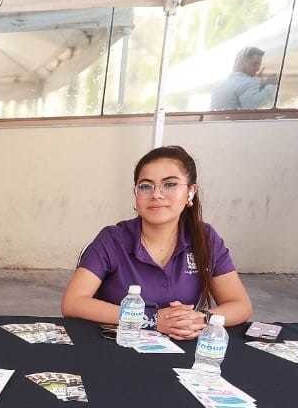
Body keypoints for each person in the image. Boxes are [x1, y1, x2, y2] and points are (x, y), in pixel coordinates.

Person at [61, 145, 252, 338]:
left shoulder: (205, 238)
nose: (156, 194)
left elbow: (240, 305)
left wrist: (198, 319)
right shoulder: (112, 239)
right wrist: (152, 319)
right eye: (145, 186)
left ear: (191, 192)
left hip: (184, 349)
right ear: (136, 195)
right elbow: (73, 303)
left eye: (170, 184)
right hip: (117, 347)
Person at [210, 47, 278, 111]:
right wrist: (271, 85)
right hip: (236, 122)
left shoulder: (218, 84)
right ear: (242, 62)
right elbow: (254, 106)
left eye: (259, 64)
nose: (258, 68)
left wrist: (259, 83)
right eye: (255, 64)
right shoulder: (248, 83)